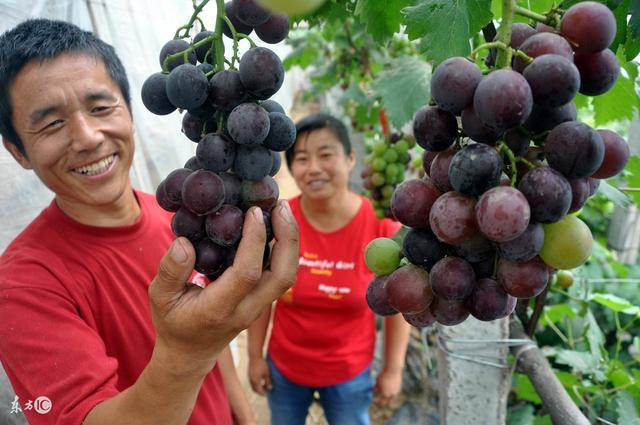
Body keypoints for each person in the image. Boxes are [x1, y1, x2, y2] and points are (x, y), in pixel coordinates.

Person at [0, 18, 298, 425]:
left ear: (128, 110)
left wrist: (241, 413)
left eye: (101, 107)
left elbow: (211, 342)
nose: (87, 137)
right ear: (17, 151)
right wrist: (185, 355)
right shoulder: (21, 286)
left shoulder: (181, 219)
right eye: (52, 123)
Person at [247, 113, 411, 425]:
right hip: (285, 369)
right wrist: (255, 356)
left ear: (350, 158)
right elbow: (261, 295)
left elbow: (398, 305)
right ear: (292, 168)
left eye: (325, 155)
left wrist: (393, 369)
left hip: (350, 373)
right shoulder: (279, 222)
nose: (314, 169)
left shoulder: (381, 226)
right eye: (302, 159)